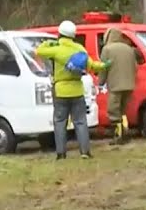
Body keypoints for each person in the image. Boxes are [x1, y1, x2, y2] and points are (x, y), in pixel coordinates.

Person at [35, 20, 108, 159]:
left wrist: (48, 43)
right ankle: (85, 152)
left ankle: (61, 153)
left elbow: (38, 51)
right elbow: (92, 65)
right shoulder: (80, 49)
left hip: (60, 90)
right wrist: (105, 66)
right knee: (80, 121)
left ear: (60, 34)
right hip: (77, 89)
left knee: (60, 121)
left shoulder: (56, 49)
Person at [99, 27, 138, 144]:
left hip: (115, 85)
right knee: (123, 111)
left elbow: (103, 68)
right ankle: (126, 133)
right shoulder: (129, 49)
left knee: (113, 111)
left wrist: (101, 82)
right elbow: (135, 67)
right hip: (129, 85)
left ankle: (118, 136)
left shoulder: (107, 49)